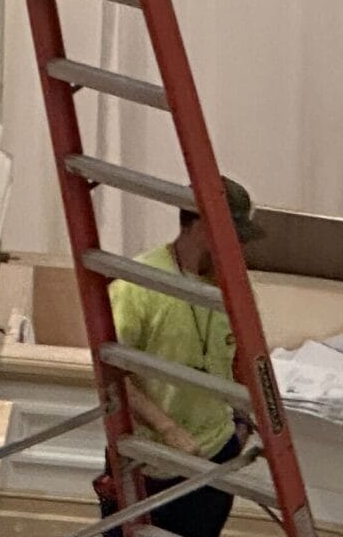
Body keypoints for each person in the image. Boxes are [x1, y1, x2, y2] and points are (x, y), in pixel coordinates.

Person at [105, 177, 268, 537]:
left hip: (215, 454)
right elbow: (111, 374)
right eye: (230, 235)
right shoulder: (137, 285)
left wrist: (241, 419)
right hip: (151, 458)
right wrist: (168, 428)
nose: (237, 247)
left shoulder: (234, 288)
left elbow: (240, 359)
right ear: (199, 226)